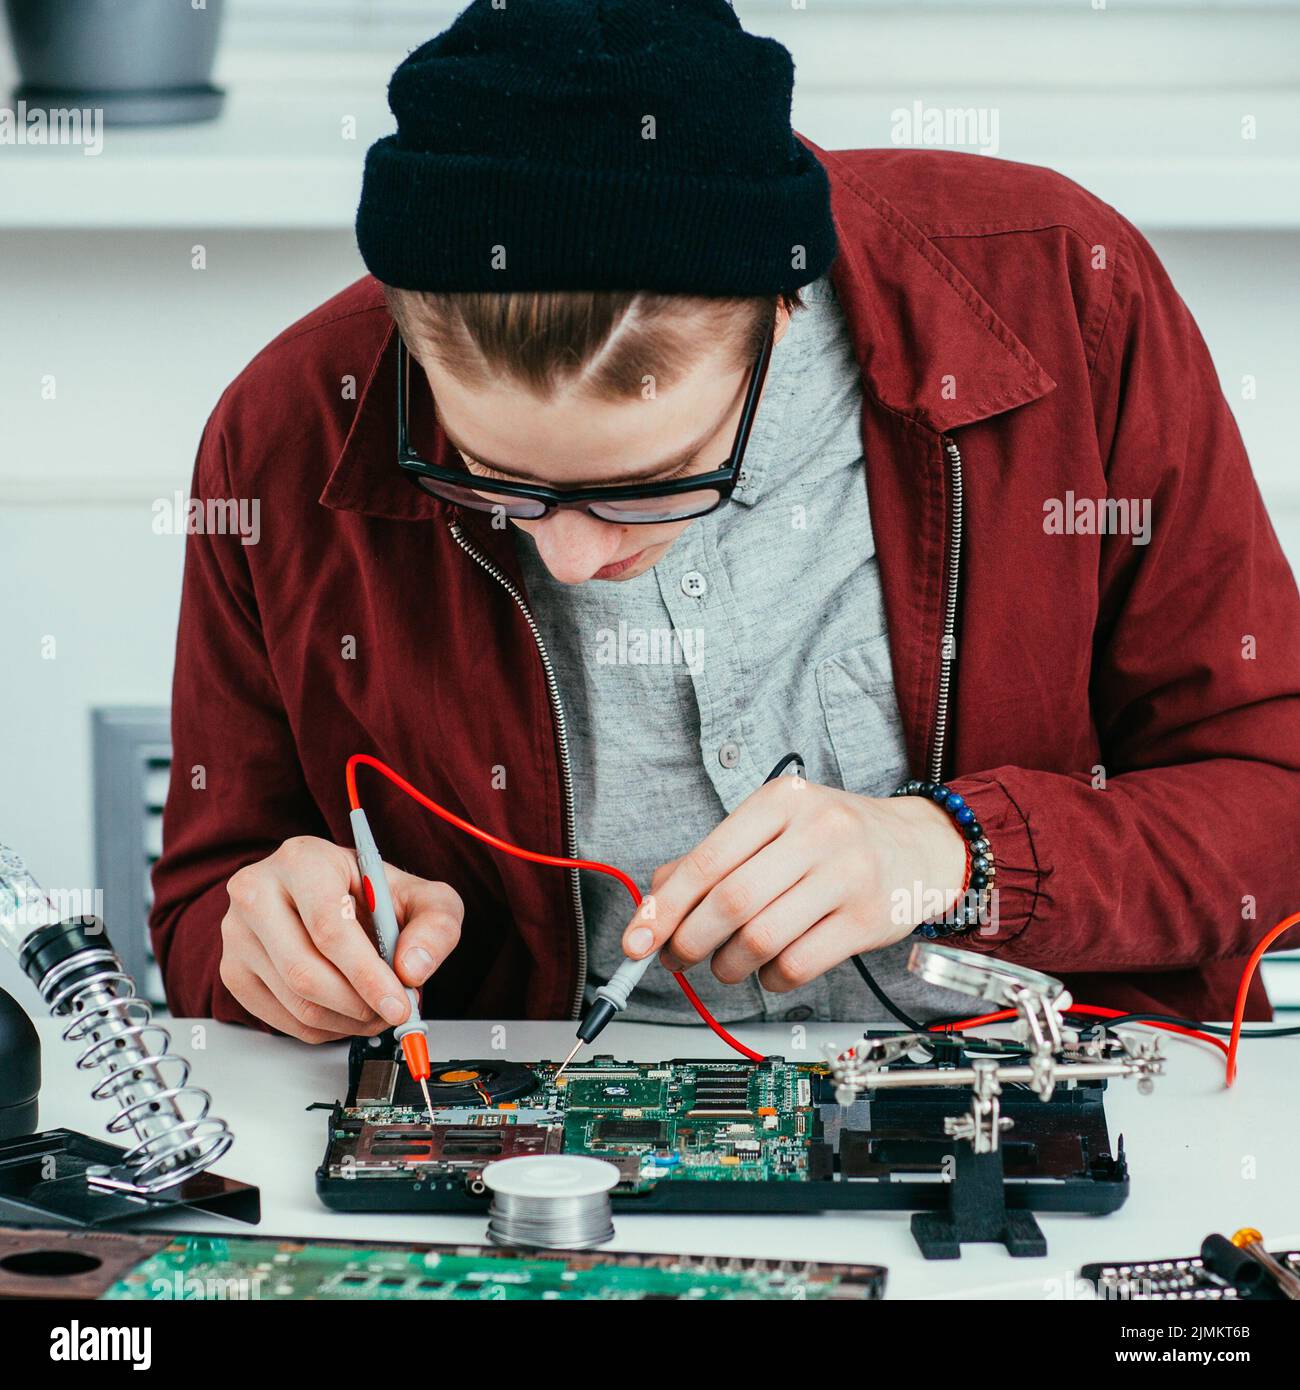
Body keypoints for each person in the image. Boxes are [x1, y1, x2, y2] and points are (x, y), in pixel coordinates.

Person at [150, 0, 1300, 1042]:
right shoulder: (286, 430)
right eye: (489, 479)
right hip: (538, 1155)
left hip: (1040, 1110)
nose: (569, 552)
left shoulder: (1061, 297)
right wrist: (268, 941)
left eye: (650, 484)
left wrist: (953, 852)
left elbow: (1275, 806)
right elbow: (207, 904)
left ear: (779, 314)